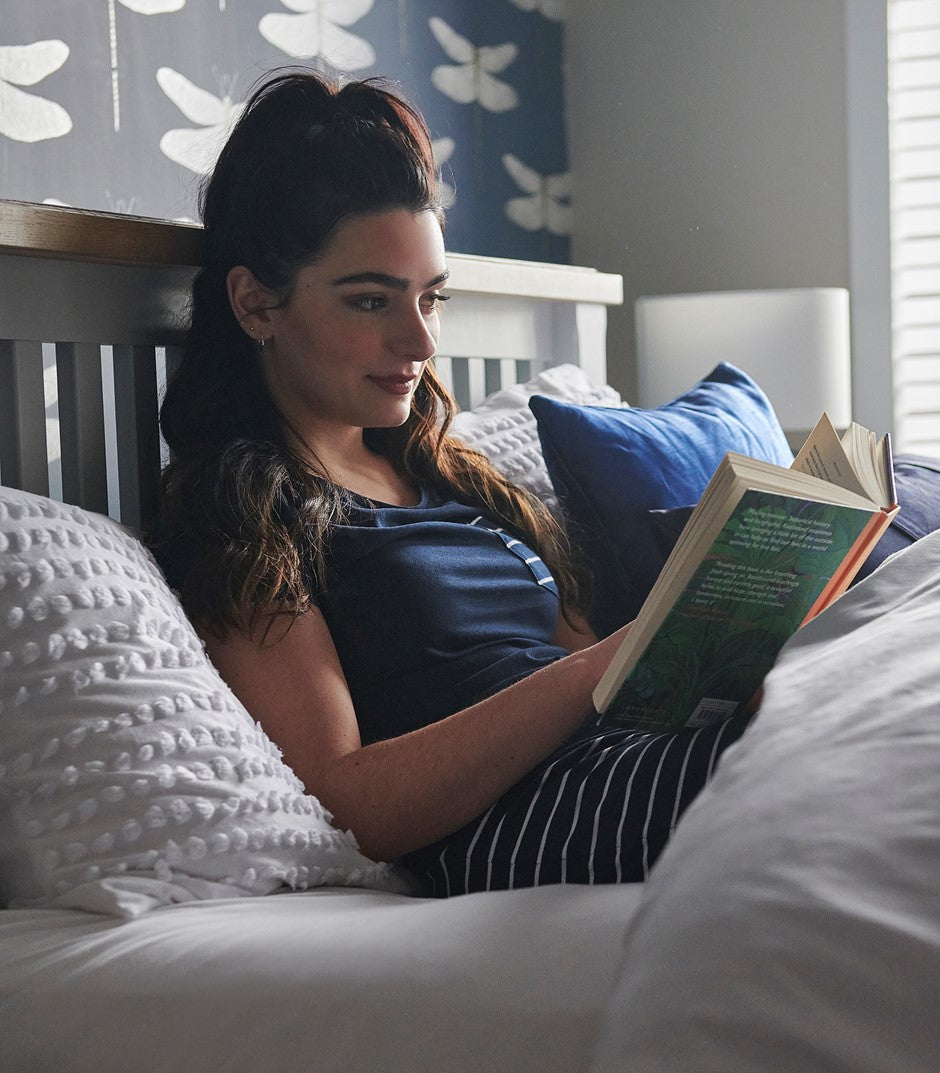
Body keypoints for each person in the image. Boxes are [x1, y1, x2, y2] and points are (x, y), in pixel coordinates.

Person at [152, 69, 753, 897]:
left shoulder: (453, 477)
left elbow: (589, 670)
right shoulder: (244, 514)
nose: (421, 342)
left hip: (618, 761)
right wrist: (599, 667)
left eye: (431, 299)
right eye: (371, 302)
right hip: (523, 816)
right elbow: (343, 798)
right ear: (256, 304)